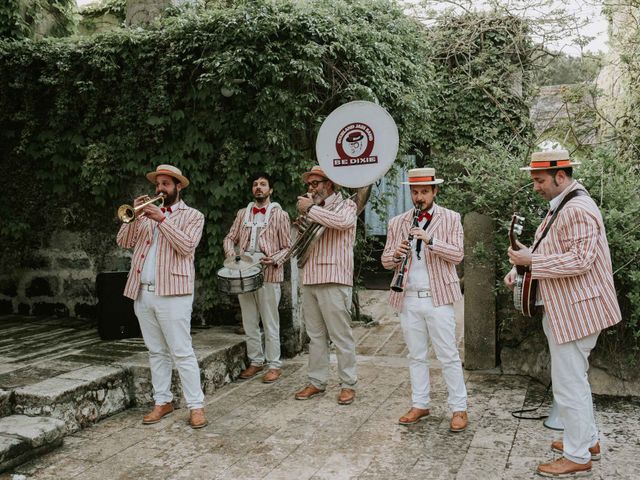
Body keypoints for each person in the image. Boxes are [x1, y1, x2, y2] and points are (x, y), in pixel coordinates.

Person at [505, 150, 622, 477]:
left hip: (575, 313)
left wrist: (532, 263)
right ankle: (588, 441)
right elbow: (548, 251)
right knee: (575, 380)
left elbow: (580, 260)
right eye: (533, 180)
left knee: (568, 384)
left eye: (540, 180)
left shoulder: (578, 208)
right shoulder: (563, 205)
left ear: (560, 176)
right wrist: (522, 270)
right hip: (570, 310)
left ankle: (577, 455)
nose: (535, 187)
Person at [116, 164, 207, 429]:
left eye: (165, 184)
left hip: (174, 294)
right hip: (143, 292)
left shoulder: (193, 216)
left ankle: (196, 406)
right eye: (158, 184)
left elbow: (187, 246)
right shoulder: (144, 215)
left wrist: (162, 220)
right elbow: (124, 242)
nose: (160, 189)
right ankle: (162, 401)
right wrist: (135, 216)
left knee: (182, 352)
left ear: (178, 186)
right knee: (156, 351)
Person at [381, 167, 468, 432]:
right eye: (415, 192)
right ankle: (420, 403)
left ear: (435, 191)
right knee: (416, 355)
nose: (419, 197)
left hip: (438, 298)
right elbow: (385, 262)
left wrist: (431, 240)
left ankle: (459, 408)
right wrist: (396, 254)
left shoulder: (451, 218)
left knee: (448, 355)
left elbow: (458, 255)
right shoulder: (398, 222)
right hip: (408, 298)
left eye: (424, 192)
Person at [293, 165, 358, 405]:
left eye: (315, 183)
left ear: (329, 184)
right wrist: (301, 222)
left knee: (341, 336)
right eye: (309, 184)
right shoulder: (314, 210)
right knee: (316, 335)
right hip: (309, 276)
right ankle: (316, 381)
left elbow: (341, 222)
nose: (311, 188)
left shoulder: (346, 205)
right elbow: (301, 241)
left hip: (333, 276)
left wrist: (309, 209)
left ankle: (348, 384)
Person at [223, 172, 291, 383]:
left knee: (270, 321)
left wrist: (275, 259)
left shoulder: (280, 215)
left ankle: (274, 365)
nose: (258, 187)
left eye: (263, 184)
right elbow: (229, 238)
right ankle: (256, 361)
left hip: (268, 273)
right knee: (249, 320)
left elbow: (289, 247)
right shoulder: (242, 213)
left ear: (270, 190)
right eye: (255, 184)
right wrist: (231, 256)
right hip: (244, 272)